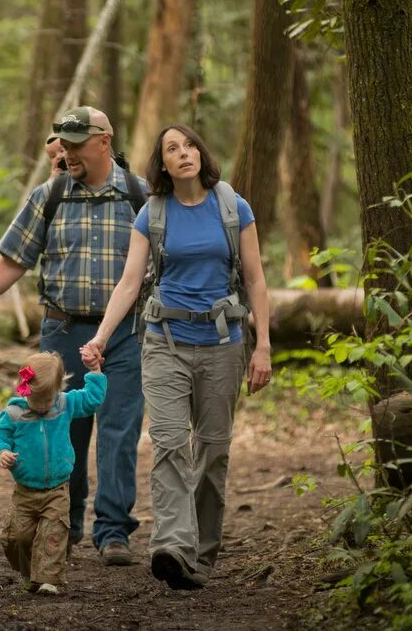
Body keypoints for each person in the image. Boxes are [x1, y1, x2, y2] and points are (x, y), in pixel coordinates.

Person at [0, 105, 147, 566]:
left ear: (103, 142)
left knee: (119, 431)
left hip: (124, 335)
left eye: (76, 143)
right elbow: (13, 260)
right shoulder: (48, 196)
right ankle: (63, 522)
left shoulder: (139, 195)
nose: (65, 152)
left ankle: (113, 532)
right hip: (60, 333)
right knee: (61, 425)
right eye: (61, 143)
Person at [80, 124, 272, 590]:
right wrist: (101, 338)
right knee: (168, 445)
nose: (183, 153)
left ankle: (202, 557)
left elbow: (255, 278)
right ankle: (173, 547)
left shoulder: (233, 206)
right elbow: (129, 282)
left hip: (223, 346)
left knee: (212, 451)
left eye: (189, 146)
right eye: (172, 149)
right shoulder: (153, 212)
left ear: (201, 154)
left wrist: (262, 344)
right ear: (161, 164)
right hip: (164, 341)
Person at [0, 352, 107, 595]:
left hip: (57, 489)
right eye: (36, 399)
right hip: (25, 491)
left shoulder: (64, 404)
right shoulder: (14, 413)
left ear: (59, 388)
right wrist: (0, 453)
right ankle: (30, 572)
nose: (42, 406)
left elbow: (92, 400)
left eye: (46, 399)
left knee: (53, 534)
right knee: (16, 538)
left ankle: (48, 580)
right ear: (25, 388)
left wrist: (95, 371)